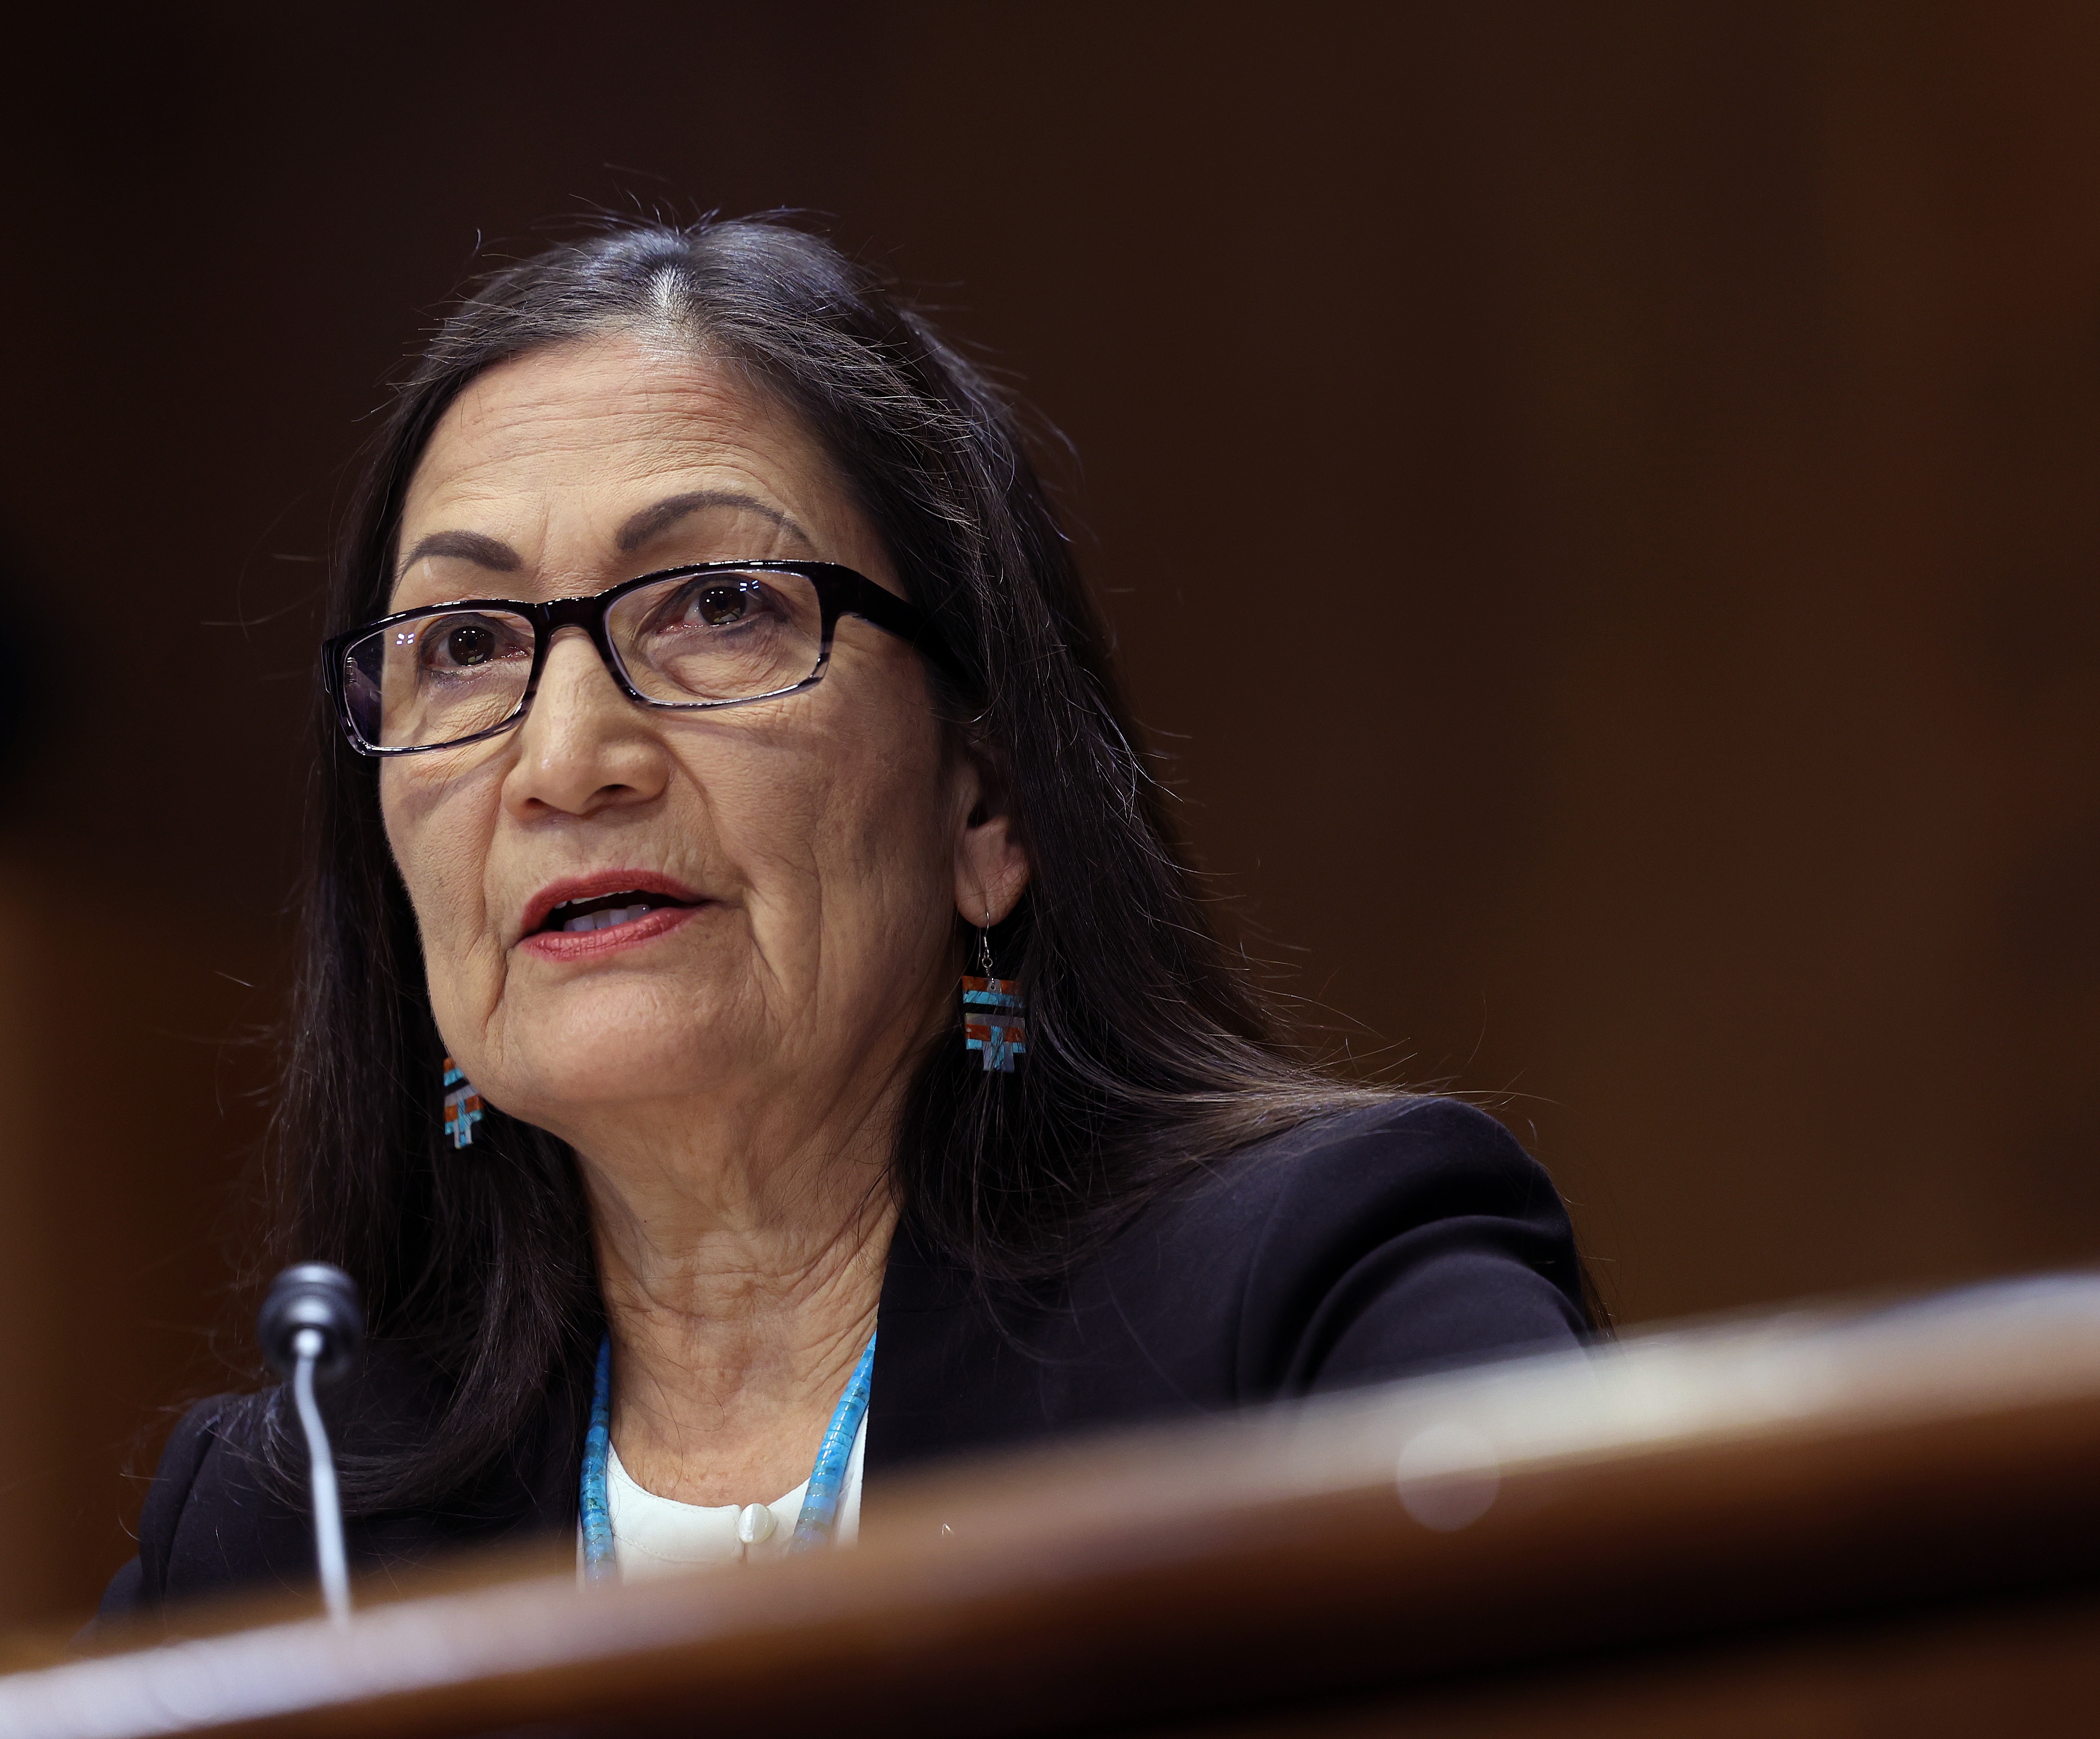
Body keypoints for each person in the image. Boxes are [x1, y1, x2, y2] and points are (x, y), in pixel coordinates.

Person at [99, 218, 1589, 1620]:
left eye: (720, 604)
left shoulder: (1319, 1301)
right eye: (467, 644)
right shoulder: (282, 1524)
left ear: (986, 808)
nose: (564, 761)